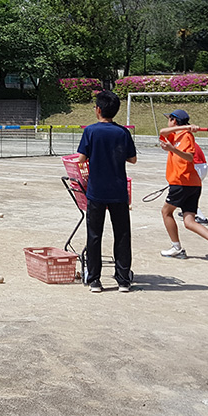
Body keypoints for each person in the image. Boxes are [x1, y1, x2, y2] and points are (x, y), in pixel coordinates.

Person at [75, 90, 138, 293]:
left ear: (99, 110)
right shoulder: (122, 132)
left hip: (96, 190)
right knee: (122, 234)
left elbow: (81, 159)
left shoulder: (91, 131)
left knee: (94, 234)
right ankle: (123, 280)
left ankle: (94, 279)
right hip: (118, 190)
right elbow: (132, 159)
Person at [158, 109, 208, 267]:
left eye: (169, 119)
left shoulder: (187, 137)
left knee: (166, 212)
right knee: (189, 221)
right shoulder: (176, 134)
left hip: (183, 182)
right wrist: (184, 127)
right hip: (191, 183)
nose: (168, 122)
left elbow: (189, 157)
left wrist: (173, 149)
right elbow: (162, 131)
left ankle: (176, 248)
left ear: (174, 120)